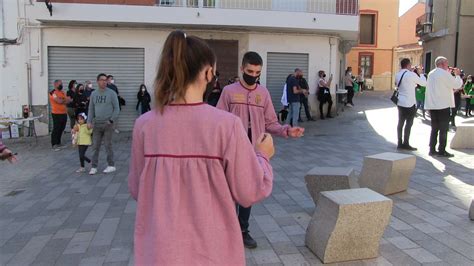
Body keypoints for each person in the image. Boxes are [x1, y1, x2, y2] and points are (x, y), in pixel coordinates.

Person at [129, 31, 275, 265]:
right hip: (212, 252)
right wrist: (263, 155)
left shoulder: (144, 125)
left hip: (159, 252)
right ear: (208, 73)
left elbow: (138, 189)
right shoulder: (226, 126)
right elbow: (250, 191)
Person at [217, 52, 304, 249]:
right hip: (231, 151)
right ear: (242, 69)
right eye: (249, 71)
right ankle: (226, 232)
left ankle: (243, 230)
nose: (253, 75)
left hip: (253, 152)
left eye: (257, 72)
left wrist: (287, 130)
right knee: (228, 192)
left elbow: (271, 122)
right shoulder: (228, 92)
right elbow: (219, 122)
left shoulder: (263, 94)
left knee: (248, 190)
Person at [425, 56, 463, 157]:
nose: (447, 65)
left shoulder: (431, 73)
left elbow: (442, 86)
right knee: (443, 129)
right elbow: (456, 85)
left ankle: (432, 149)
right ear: (442, 64)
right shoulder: (443, 73)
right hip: (442, 106)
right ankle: (442, 150)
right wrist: (457, 75)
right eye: (446, 63)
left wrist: (449, 74)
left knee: (434, 129)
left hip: (433, 106)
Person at [87, 73, 120, 175]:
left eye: (106, 80)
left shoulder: (112, 93)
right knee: (95, 146)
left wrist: (111, 120)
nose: (104, 81)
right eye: (102, 80)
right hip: (97, 124)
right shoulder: (94, 94)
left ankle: (111, 165)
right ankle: (94, 167)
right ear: (98, 81)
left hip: (108, 124)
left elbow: (117, 109)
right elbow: (91, 109)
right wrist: (89, 121)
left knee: (107, 145)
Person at [395, 58, 427, 151]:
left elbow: (405, 85)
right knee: (409, 124)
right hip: (410, 103)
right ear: (408, 65)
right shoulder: (411, 74)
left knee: (400, 122)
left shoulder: (398, 74)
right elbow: (424, 83)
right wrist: (420, 73)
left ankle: (399, 143)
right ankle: (406, 143)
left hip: (400, 101)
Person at [49, 80, 70, 151]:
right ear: (55, 85)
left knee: (62, 128)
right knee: (56, 129)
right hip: (56, 114)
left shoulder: (62, 92)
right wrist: (63, 100)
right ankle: (54, 144)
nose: (61, 85)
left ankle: (58, 143)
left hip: (64, 113)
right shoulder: (52, 93)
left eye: (62, 83)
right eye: (60, 84)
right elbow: (59, 101)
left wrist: (63, 100)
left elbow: (68, 100)